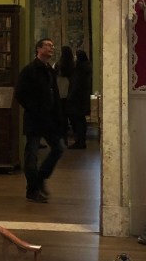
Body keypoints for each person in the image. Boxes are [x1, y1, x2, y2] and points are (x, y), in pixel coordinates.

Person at [14, 37, 64, 203]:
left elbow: (54, 94)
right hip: (35, 118)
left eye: (52, 46)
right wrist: (34, 108)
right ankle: (32, 190)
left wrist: (58, 116)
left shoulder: (50, 70)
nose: (51, 48)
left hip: (49, 119)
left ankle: (40, 178)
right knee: (32, 155)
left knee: (59, 148)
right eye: (48, 45)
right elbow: (20, 93)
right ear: (39, 49)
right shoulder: (29, 70)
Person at [66, 49, 92, 148]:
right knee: (81, 120)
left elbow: (76, 85)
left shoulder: (80, 69)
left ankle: (79, 141)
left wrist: (70, 96)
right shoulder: (86, 67)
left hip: (77, 99)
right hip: (82, 98)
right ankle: (81, 141)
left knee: (77, 121)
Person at [56, 45, 74, 140]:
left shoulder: (58, 64)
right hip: (68, 90)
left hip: (60, 89)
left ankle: (62, 136)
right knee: (68, 115)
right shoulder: (72, 65)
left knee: (61, 115)